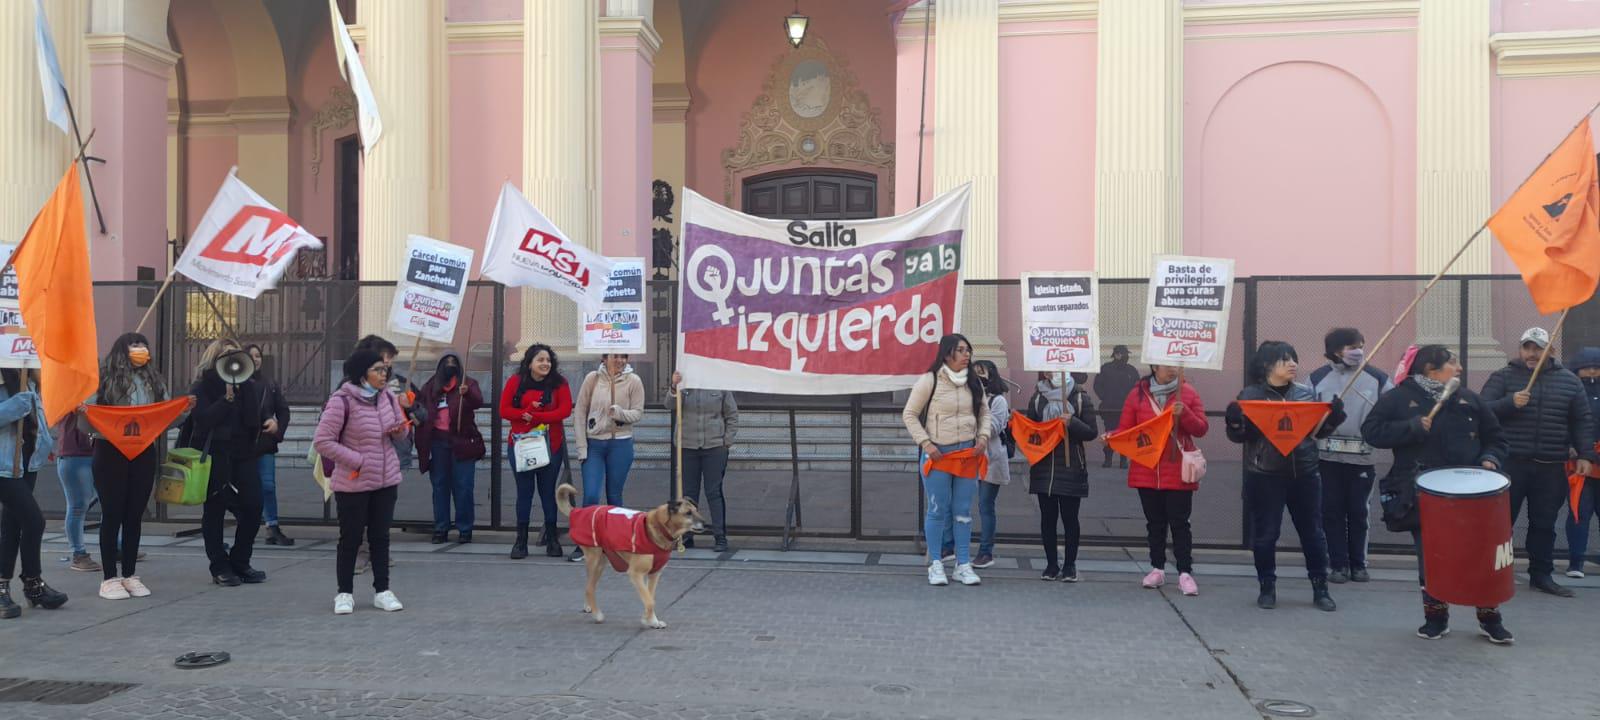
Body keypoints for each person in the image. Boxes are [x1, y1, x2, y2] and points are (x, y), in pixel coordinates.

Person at [1363, 345, 1513, 643]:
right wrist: (1411, 427)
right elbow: (1372, 431)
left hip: (1472, 496)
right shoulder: (1399, 398)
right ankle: (1435, 618)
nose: (1458, 370)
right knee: (1431, 557)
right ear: (1431, 370)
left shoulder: (1468, 399)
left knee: (1479, 555)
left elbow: (1496, 438)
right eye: (1452, 364)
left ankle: (1489, 618)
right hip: (1424, 494)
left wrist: (1490, 460)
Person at [1226, 341, 1345, 611]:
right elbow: (1241, 437)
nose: (1293, 364)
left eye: (1294, 359)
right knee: (1266, 535)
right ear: (1267, 365)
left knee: (1313, 534)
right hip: (1264, 475)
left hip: (1305, 472)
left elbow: (1317, 433)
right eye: (1285, 360)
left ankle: (1320, 588)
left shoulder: (1305, 394)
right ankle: (1267, 586)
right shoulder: (1251, 395)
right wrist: (1235, 422)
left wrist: (1333, 418)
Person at [1480, 327, 1597, 597]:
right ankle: (1493, 573)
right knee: (1500, 523)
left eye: (1538, 348)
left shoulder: (1569, 381)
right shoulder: (1503, 377)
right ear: (1520, 349)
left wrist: (1585, 454)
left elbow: (1581, 421)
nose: (1532, 353)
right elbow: (1482, 410)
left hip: (1551, 465)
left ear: (1550, 351)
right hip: (1510, 463)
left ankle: (1541, 575)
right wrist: (1510, 402)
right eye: (1527, 347)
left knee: (1544, 524)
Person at [91, 333, 184, 600]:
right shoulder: (105, 378)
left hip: (143, 451)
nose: (140, 349)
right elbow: (87, 410)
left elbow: (166, 414)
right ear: (122, 350)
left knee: (134, 514)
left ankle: (130, 574)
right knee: (112, 513)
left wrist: (183, 409)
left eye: (143, 345)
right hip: (110, 451)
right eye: (134, 345)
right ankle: (109, 578)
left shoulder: (154, 380)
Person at [314, 350, 407, 615]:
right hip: (353, 482)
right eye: (378, 369)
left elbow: (402, 429)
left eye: (385, 370)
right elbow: (323, 440)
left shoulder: (388, 397)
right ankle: (344, 593)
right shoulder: (342, 401)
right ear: (361, 373)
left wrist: (400, 431)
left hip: (386, 479)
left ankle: (382, 591)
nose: (384, 375)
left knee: (380, 537)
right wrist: (356, 460)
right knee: (350, 538)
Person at [902, 334, 991, 587]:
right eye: (961, 350)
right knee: (937, 510)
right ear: (946, 354)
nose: (967, 355)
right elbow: (909, 414)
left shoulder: (974, 382)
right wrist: (926, 444)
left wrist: (983, 438)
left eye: (968, 350)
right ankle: (936, 565)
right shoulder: (929, 380)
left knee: (963, 512)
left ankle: (963, 565)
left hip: (967, 456)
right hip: (938, 456)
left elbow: (984, 412)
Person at [1113, 364, 1208, 596]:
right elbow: (1126, 429)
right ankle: (1157, 568)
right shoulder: (1137, 394)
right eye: (1167, 365)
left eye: (1176, 365)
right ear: (1154, 366)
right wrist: (1112, 438)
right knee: (1155, 524)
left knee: (1180, 523)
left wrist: (1184, 413)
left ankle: (1185, 572)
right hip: (1147, 469)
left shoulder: (1188, 393)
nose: (1173, 370)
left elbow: (1201, 428)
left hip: (1177, 471)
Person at [1308, 328, 1391, 584]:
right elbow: (1309, 416)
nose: (1358, 350)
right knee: (1330, 511)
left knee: (1358, 512)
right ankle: (1338, 564)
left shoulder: (1377, 378)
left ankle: (1359, 564)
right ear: (1336, 351)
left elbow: (1391, 410)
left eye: (1361, 345)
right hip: (1327, 458)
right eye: (1351, 346)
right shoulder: (1317, 378)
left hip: (1362, 460)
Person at [185, 339, 267, 587]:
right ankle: (219, 566)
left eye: (236, 354)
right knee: (215, 509)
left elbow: (253, 421)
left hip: (242, 452)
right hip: (214, 454)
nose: (233, 358)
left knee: (254, 505)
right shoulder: (202, 386)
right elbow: (204, 421)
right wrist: (226, 400)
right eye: (227, 354)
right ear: (216, 357)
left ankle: (241, 561)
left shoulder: (247, 384)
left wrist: (246, 391)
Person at [349, 335, 423, 573]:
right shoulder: (348, 387)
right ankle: (359, 554)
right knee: (359, 509)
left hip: (390, 457)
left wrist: (409, 408)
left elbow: (422, 415)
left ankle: (378, 552)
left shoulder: (401, 383)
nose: (388, 365)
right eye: (384, 358)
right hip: (360, 458)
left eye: (390, 360)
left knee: (382, 510)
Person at [0, 369, 65, 618]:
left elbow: (37, 417)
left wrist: (44, 441)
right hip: (4, 464)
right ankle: (28, 580)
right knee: (34, 521)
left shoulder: (29, 379)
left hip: (27, 461)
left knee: (12, 525)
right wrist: (13, 407)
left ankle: (30, 586)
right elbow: (17, 411)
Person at [501, 343, 573, 559]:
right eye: (540, 360)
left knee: (548, 493)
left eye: (548, 360)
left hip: (551, 447)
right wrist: (525, 412)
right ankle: (520, 541)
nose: (545, 364)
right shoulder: (516, 381)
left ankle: (552, 539)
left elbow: (565, 410)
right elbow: (504, 410)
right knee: (524, 493)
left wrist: (538, 417)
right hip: (522, 447)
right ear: (529, 362)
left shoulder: (559, 383)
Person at [1025, 372, 1098, 582]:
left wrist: (1072, 422)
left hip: (1071, 466)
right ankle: (1050, 564)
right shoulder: (1038, 397)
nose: (1052, 371)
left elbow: (1091, 432)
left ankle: (1069, 565)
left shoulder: (1080, 397)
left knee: (1070, 519)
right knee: (1047, 519)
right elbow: (1031, 430)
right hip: (1043, 467)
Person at [416, 349, 485, 544]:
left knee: (463, 487)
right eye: (446, 362)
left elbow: (478, 402)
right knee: (440, 487)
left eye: (454, 362)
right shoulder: (430, 386)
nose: (450, 365)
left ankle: (465, 529)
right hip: (438, 443)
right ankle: (441, 528)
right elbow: (419, 409)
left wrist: (468, 393)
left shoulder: (468, 383)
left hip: (462, 442)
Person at [671, 371, 738, 553]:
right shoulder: (684, 383)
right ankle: (687, 535)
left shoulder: (720, 383)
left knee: (713, 492)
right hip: (687, 446)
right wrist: (674, 387)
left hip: (714, 447)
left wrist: (727, 441)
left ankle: (720, 536)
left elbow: (732, 414)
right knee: (688, 494)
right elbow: (669, 405)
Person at [245, 345, 294, 547]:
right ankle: (245, 524)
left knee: (267, 486)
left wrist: (277, 428)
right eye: (250, 356)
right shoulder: (235, 383)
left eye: (258, 356)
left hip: (264, 444)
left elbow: (283, 411)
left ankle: (272, 526)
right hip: (242, 445)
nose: (255, 359)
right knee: (241, 488)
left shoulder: (270, 384)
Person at [971, 360, 1010, 568]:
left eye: (981, 373)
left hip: (990, 459)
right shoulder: (970, 398)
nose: (978, 378)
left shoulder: (998, 401)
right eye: (974, 374)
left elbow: (993, 428)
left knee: (985, 505)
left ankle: (986, 551)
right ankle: (951, 547)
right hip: (969, 459)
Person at [1566, 347, 1600, 578]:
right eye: (1587, 367)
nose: (1592, 372)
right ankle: (1575, 562)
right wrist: (1570, 446)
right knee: (1579, 511)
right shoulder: (1571, 392)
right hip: (1580, 462)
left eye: (1597, 368)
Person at [53, 415, 98, 572]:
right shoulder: (70, 399)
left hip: (86, 452)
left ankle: (115, 546)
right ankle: (79, 554)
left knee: (110, 502)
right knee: (78, 506)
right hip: (76, 454)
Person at [1095, 345, 1141, 469]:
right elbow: (1097, 385)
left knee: (1125, 435)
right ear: (1116, 355)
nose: (1126, 357)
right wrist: (1105, 397)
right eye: (1123, 354)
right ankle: (1108, 459)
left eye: (1127, 355)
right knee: (1109, 433)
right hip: (1109, 408)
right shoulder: (1106, 369)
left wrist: (1132, 403)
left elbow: (1138, 388)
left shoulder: (1131, 370)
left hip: (1126, 409)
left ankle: (1123, 460)